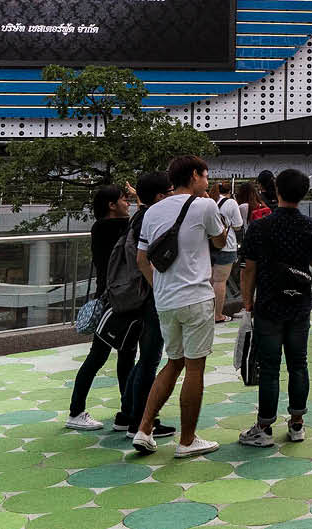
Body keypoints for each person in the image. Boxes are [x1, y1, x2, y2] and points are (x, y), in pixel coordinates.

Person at [132, 155, 226, 458]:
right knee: (195, 368)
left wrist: (159, 287)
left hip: (166, 300)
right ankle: (187, 440)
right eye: (206, 176)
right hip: (196, 297)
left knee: (173, 362)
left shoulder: (152, 211)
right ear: (195, 175)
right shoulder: (206, 205)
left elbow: (141, 259)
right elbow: (220, 243)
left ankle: (144, 429)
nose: (208, 182)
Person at [238, 168, 312, 447]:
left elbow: (248, 269)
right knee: (298, 364)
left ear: (276, 191)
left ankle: (264, 428)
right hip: (300, 302)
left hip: (269, 303)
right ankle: (297, 424)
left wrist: (248, 304)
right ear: (303, 194)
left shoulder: (261, 225)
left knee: (269, 367)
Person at [65, 184, 136, 431]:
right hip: (116, 300)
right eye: (124, 199)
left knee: (119, 354)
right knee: (105, 356)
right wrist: (143, 198)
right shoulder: (113, 227)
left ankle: (127, 412)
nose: (128, 203)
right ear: (111, 205)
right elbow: (142, 222)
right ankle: (77, 411)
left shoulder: (101, 227)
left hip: (111, 297)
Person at [121, 172, 174, 441]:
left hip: (138, 294)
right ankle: (142, 421)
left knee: (145, 359)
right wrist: (159, 287)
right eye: (170, 191)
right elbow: (146, 260)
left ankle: (128, 414)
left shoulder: (139, 216)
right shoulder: (152, 219)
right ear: (160, 197)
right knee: (151, 359)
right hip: (149, 295)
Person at [211, 180, 244, 323]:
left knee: (209, 281)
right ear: (229, 191)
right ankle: (218, 315)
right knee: (220, 281)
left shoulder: (208, 200)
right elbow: (238, 225)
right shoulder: (231, 203)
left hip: (209, 245)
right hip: (226, 245)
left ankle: (207, 314)